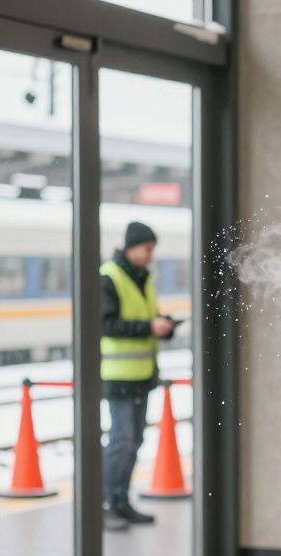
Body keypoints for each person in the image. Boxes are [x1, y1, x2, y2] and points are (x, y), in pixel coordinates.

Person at [100, 221, 175, 531]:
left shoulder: (144, 278)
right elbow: (106, 325)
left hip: (142, 375)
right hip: (118, 377)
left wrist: (162, 325)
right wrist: (148, 327)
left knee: (135, 441)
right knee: (122, 441)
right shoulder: (109, 277)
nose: (151, 255)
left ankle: (122, 501)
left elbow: (146, 318)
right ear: (132, 246)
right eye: (148, 249)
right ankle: (107, 504)